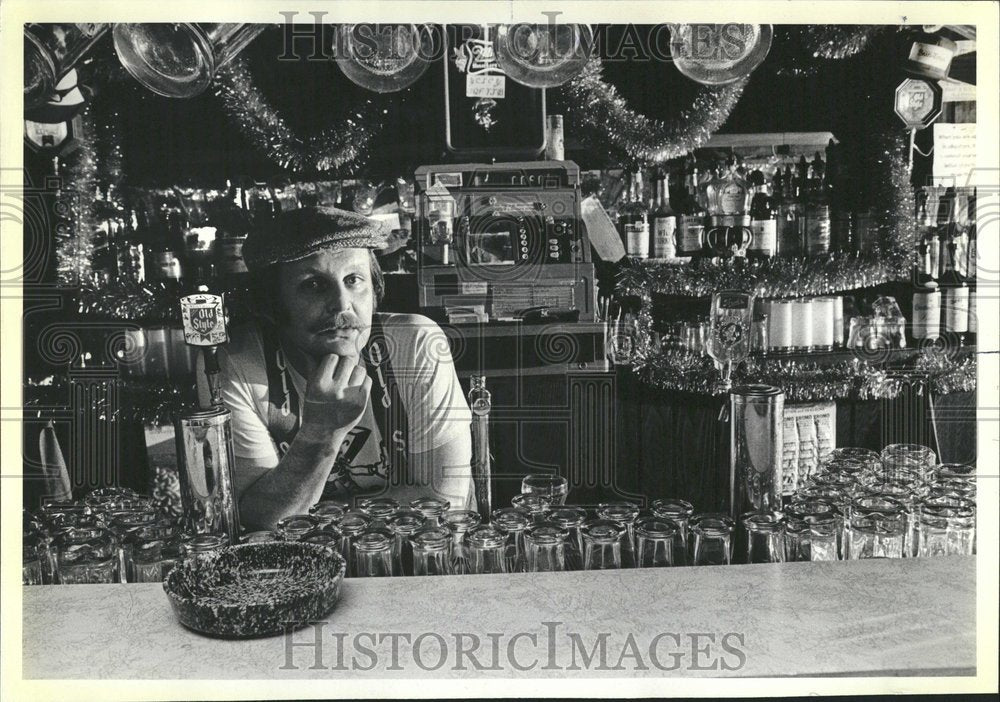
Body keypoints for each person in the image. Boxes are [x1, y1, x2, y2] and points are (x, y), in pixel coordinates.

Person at [217, 206, 473, 530]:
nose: (342, 304)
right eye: (313, 285)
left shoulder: (415, 343)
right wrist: (322, 431)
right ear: (273, 302)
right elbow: (260, 520)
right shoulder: (241, 363)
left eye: (354, 280)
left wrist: (315, 514)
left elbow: (443, 502)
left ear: (375, 288)